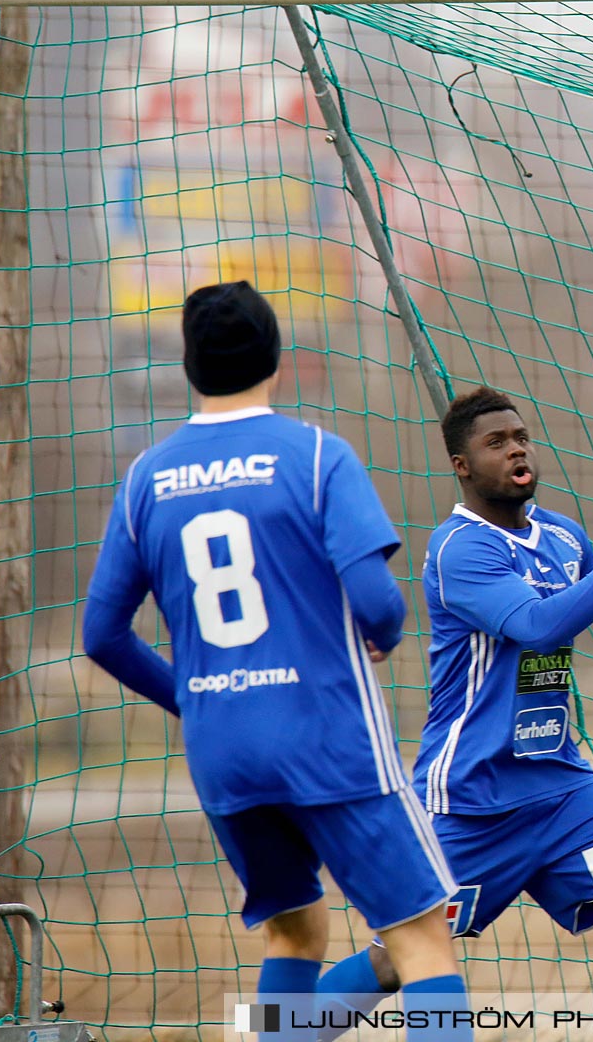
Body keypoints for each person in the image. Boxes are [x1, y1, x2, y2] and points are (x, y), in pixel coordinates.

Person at [81, 282, 468, 1041]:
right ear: (276, 357)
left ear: (189, 365)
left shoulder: (144, 479)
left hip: (224, 756)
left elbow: (103, 634)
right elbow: (378, 601)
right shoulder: (317, 453)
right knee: (420, 933)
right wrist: (382, 633)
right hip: (327, 740)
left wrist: (192, 699)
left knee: (294, 933)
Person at [313, 386, 593, 1042]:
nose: (516, 448)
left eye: (520, 436)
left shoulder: (558, 531)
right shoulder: (459, 549)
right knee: (404, 957)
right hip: (472, 797)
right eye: (496, 442)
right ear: (462, 466)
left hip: (560, 786)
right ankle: (280, 1029)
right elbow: (542, 624)